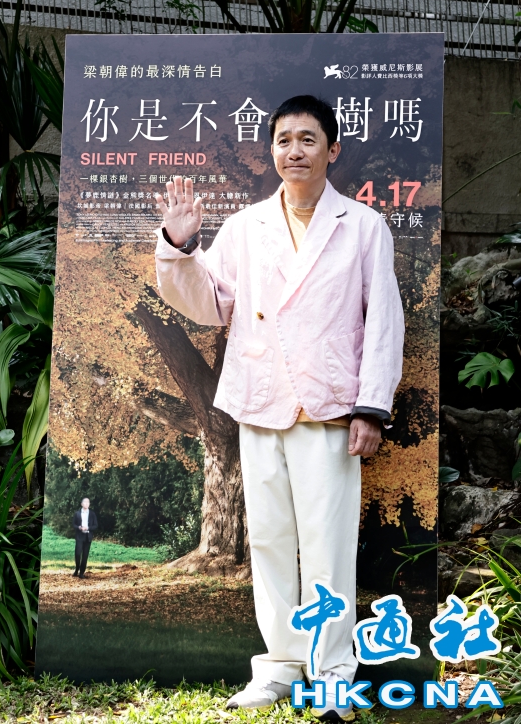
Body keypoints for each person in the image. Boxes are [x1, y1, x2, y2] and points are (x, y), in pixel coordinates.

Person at [154, 95, 405, 721]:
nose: (295, 151)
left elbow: (384, 323)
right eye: (284, 140)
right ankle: (279, 669)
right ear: (271, 151)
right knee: (267, 542)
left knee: (327, 547)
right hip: (261, 398)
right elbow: (209, 305)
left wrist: (371, 407)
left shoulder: (363, 226)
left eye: (308, 140)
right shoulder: (245, 226)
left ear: (332, 150)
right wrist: (181, 246)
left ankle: (334, 676)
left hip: (329, 405)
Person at [72, 497, 98, 579]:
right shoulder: (77, 513)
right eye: (85, 502)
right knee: (77, 553)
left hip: (88, 536)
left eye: (88, 502)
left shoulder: (92, 514)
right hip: (79, 536)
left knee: (85, 555)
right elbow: (73, 524)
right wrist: (79, 527)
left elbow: (96, 525)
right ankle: (77, 568)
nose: (87, 504)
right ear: (81, 504)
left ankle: (81, 572)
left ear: (89, 504)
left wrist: (88, 528)